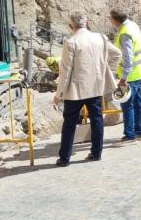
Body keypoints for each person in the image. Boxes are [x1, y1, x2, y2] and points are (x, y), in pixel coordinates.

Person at [54, 13, 121, 166]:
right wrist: (106, 71)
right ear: (87, 22)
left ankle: (64, 158)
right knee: (97, 119)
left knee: (70, 123)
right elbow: (117, 54)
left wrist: (59, 94)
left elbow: (65, 70)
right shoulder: (101, 38)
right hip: (96, 87)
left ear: (71, 26)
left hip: (75, 91)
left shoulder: (71, 42)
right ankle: (96, 153)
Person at [110, 9, 141, 143]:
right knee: (138, 103)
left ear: (115, 19)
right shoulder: (133, 25)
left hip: (130, 76)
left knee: (127, 105)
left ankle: (130, 135)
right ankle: (140, 131)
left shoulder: (125, 33)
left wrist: (124, 78)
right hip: (140, 71)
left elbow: (128, 57)